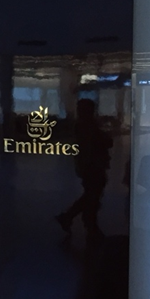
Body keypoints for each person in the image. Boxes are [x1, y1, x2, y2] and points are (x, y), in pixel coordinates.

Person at [55, 99, 112, 240]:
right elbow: (101, 143)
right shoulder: (88, 127)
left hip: (90, 167)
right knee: (92, 197)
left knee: (90, 196)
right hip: (93, 167)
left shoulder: (83, 126)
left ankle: (72, 218)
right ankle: (88, 224)